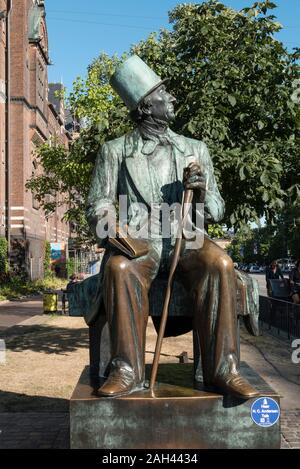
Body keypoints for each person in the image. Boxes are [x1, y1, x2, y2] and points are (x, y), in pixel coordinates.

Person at [85, 56, 259, 400]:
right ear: (147, 106)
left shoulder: (195, 149)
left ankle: (225, 370)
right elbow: (97, 204)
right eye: (165, 93)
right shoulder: (115, 152)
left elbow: (218, 209)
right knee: (119, 268)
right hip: (140, 241)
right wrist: (117, 232)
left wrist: (203, 189)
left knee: (221, 263)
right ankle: (126, 370)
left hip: (188, 239)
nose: (173, 98)